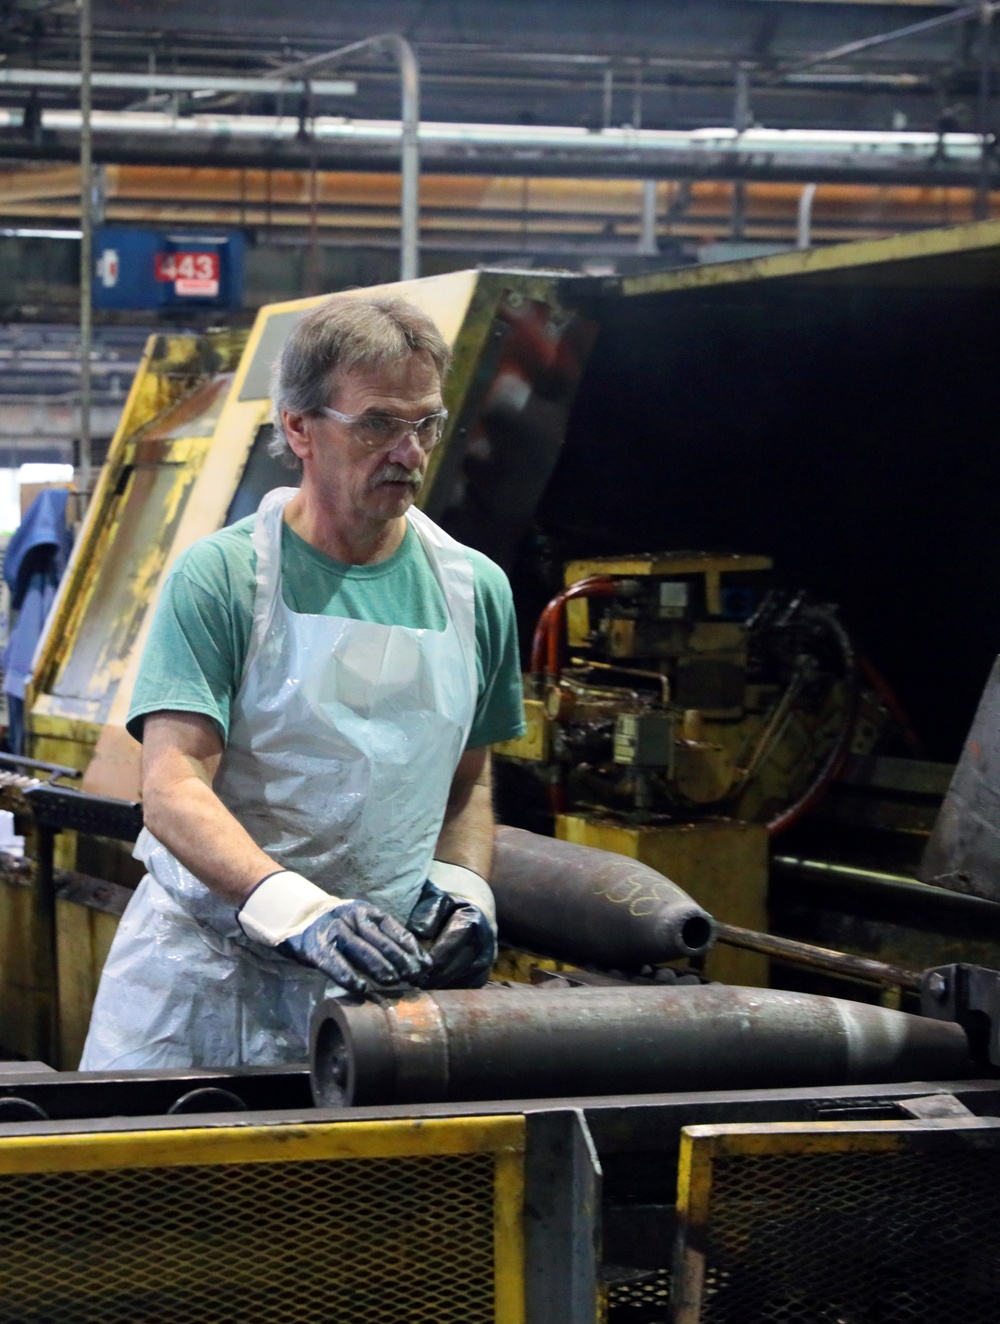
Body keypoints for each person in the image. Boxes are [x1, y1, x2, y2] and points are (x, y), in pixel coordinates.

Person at [80, 295, 526, 1070]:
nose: (411, 453)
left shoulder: (474, 591)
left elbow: (466, 782)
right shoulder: (225, 578)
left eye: (426, 424)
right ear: (298, 428)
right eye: (378, 424)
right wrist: (301, 912)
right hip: (204, 990)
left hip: (368, 1004)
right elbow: (175, 783)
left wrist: (462, 890)